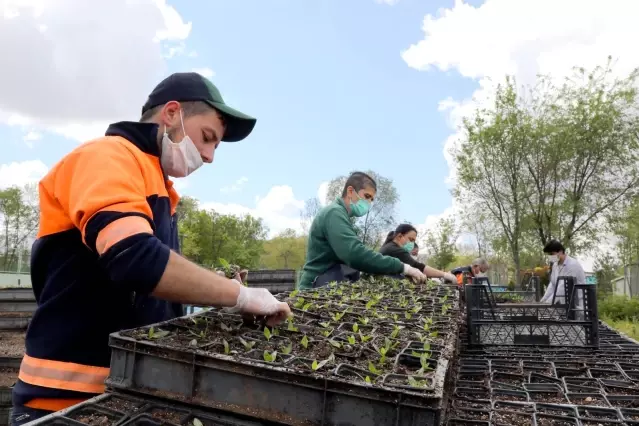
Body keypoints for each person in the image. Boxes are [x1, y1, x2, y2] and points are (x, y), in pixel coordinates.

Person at [10, 72, 291, 425]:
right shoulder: (107, 156)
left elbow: (144, 285)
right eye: (208, 138)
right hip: (66, 398)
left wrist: (216, 287)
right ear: (172, 114)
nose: (208, 156)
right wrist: (239, 295)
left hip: (121, 392)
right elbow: (135, 259)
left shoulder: (157, 186)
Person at [298, 172, 426, 289]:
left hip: (326, 284)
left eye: (371, 199)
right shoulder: (334, 213)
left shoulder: (341, 215)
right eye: (367, 196)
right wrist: (402, 267)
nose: (369, 203)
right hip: (314, 287)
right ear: (350, 191)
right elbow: (354, 253)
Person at [379, 224, 457, 282]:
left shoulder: (389, 246)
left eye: (414, 241)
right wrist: (444, 274)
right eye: (411, 239)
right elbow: (418, 267)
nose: (412, 244)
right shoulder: (395, 250)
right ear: (400, 236)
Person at [540, 240, 586, 305]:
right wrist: (542, 301)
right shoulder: (555, 265)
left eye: (552, 254)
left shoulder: (572, 265)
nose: (551, 257)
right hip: (565, 306)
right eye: (549, 254)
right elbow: (552, 285)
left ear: (561, 251)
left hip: (577, 307)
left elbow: (563, 288)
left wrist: (547, 303)